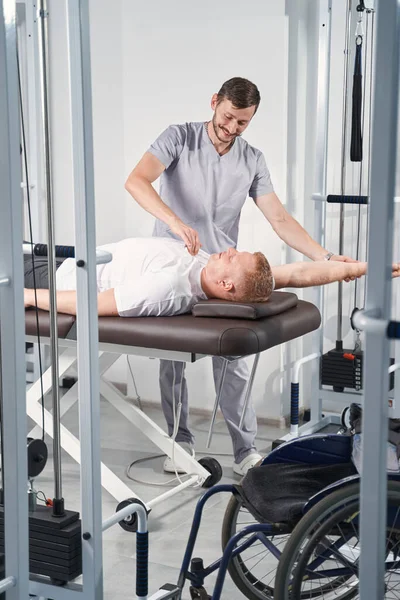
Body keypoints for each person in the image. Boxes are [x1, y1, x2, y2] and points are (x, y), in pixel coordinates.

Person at [124, 76, 359, 476]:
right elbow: (137, 180)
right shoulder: (178, 137)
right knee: (173, 361)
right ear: (214, 101)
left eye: (242, 123)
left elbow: (280, 219)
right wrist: (176, 224)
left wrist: (328, 257)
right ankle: (180, 444)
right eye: (229, 117)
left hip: (223, 273)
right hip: (175, 266)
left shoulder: (252, 159)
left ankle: (245, 450)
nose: (232, 128)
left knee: (233, 360)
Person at [23, 236, 400, 316]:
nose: (231, 250)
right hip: (72, 254)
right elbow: (299, 272)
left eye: (233, 259)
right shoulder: (209, 268)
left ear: (226, 286)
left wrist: (23, 296)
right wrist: (360, 268)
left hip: (51, 277)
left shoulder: (167, 288)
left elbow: (90, 305)